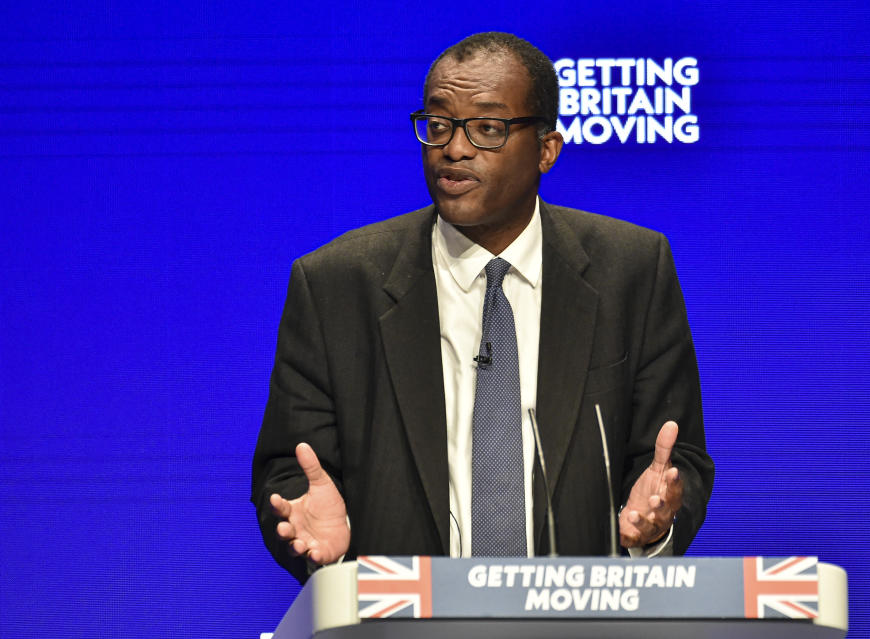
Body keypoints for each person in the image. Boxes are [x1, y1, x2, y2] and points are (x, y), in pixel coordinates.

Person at [252, 32, 714, 583]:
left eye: (488, 129)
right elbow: (289, 469)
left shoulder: (633, 271)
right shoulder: (335, 283)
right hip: (399, 621)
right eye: (439, 124)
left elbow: (673, 460)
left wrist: (654, 525)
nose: (454, 148)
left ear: (547, 148)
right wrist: (323, 538)